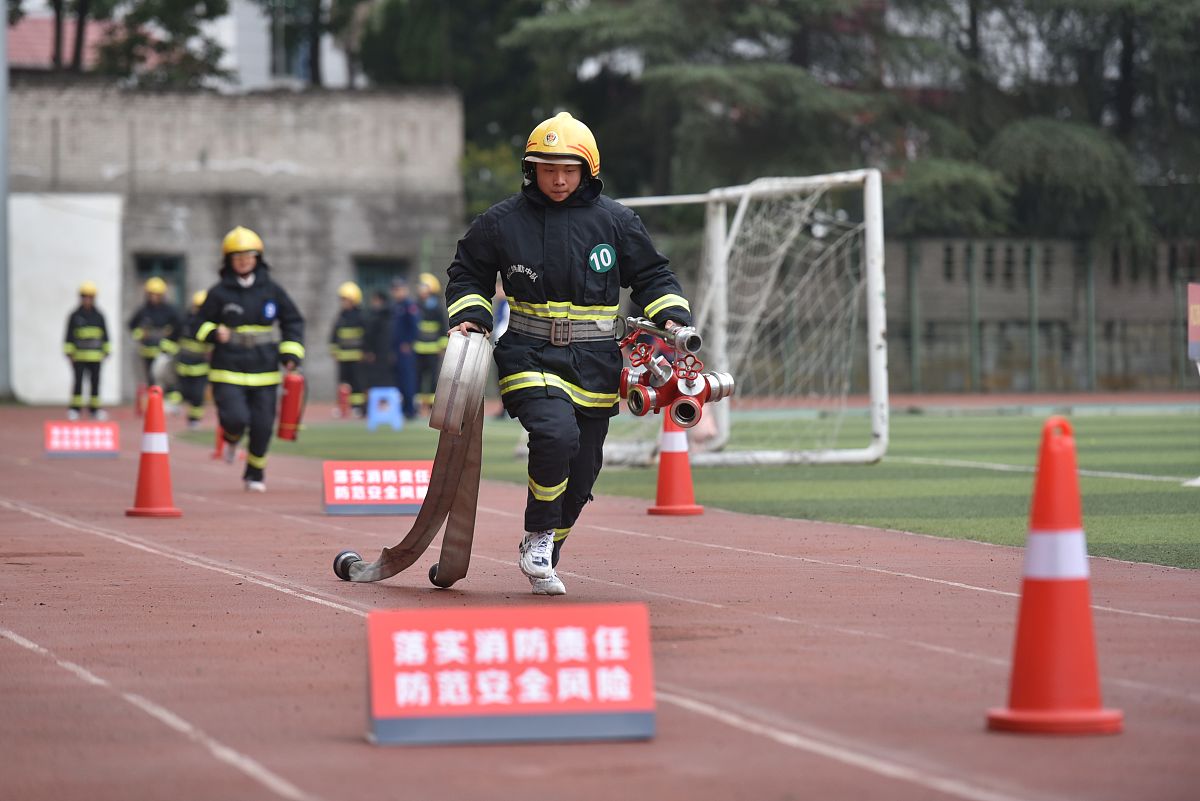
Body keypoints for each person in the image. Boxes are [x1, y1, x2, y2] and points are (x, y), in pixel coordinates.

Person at [446, 111, 693, 596]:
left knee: (582, 476)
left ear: (588, 171)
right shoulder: (499, 223)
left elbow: (654, 276)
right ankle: (539, 532)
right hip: (527, 353)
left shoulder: (617, 222)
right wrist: (470, 314)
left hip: (597, 361)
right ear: (530, 170)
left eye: (569, 169)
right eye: (547, 168)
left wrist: (672, 317)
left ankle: (546, 546)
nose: (558, 179)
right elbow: (467, 273)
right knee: (555, 435)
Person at [196, 226, 305, 493]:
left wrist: (291, 352)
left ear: (258, 258)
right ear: (229, 261)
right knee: (234, 418)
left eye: (249, 255)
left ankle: (255, 473)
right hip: (227, 369)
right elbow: (195, 324)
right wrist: (212, 332)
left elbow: (293, 321)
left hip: (265, 368)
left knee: (262, 425)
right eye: (238, 256)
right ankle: (231, 438)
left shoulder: (273, 291)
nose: (244, 260)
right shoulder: (219, 293)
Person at [63, 281, 111, 420]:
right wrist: (69, 353)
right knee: (78, 383)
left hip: (96, 357)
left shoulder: (99, 315)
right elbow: (69, 335)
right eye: (85, 297)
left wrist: (106, 351)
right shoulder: (75, 315)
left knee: (95, 384)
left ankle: (95, 410)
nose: (87, 300)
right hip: (79, 357)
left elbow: (105, 334)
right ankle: (75, 409)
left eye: (90, 297)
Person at [127, 276, 182, 390]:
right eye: (151, 294)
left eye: (157, 294)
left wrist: (170, 339)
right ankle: (154, 402)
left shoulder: (169, 310)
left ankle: (167, 400)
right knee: (151, 378)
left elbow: (179, 327)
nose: (154, 297)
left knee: (164, 376)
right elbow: (131, 326)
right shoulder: (143, 310)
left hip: (164, 352)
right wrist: (140, 334)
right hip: (147, 352)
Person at [170, 290, 214, 429]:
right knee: (181, 390)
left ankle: (194, 420)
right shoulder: (184, 321)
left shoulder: (210, 325)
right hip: (183, 364)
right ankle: (175, 406)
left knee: (197, 396)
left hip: (201, 367)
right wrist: (169, 353)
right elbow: (172, 338)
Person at [329, 281, 367, 417]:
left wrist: (364, 352)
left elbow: (365, 336)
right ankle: (342, 407)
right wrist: (334, 349)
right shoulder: (341, 316)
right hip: (343, 356)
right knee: (342, 383)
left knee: (357, 383)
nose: (343, 302)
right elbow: (334, 335)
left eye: (346, 299)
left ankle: (357, 407)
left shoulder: (360, 316)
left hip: (356, 357)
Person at [413, 272, 448, 413]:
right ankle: (419, 405)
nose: (420, 289)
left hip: (433, 349)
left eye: (423, 286)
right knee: (418, 378)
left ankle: (433, 405)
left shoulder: (437, 307)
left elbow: (442, 328)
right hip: (419, 349)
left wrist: (442, 347)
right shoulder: (416, 306)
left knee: (433, 378)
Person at [390, 278, 420, 420]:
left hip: (406, 350)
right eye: (395, 290)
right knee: (400, 380)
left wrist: (408, 343)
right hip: (397, 349)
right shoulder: (396, 306)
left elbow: (414, 326)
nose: (396, 292)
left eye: (399, 289)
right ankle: (403, 408)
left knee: (408, 379)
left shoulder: (409, 305)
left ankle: (410, 409)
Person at [362, 289, 394, 390]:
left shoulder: (376, 317)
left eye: (375, 300)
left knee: (377, 380)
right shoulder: (389, 315)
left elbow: (369, 335)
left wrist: (368, 351)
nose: (373, 303)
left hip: (378, 355)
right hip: (383, 354)